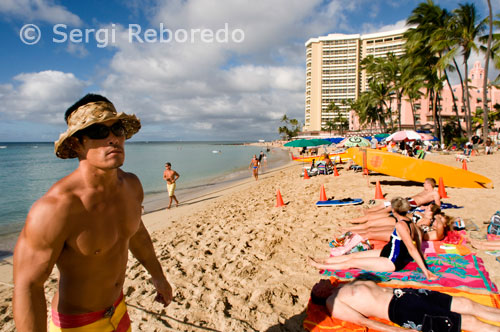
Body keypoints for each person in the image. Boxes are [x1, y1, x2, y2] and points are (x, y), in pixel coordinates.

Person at [13, 94, 173, 332]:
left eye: (117, 129)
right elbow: (28, 285)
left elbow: (136, 232)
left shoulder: (131, 186)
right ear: (77, 143)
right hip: (77, 325)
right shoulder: (56, 208)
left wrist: (158, 276)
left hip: (118, 310)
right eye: (99, 132)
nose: (113, 140)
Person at [309, 197, 437, 280]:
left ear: (394, 210)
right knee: (353, 256)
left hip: (391, 262)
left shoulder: (401, 225)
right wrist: (422, 257)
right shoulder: (411, 223)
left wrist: (425, 270)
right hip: (388, 252)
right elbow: (418, 244)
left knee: (352, 263)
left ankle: (319, 265)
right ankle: (324, 260)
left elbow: (412, 248)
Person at [311, 279, 500, 332]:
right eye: (316, 285)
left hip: (406, 294)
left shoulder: (341, 285)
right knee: (468, 321)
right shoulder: (332, 302)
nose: (320, 280)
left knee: (465, 303)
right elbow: (362, 321)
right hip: (401, 310)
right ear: (319, 293)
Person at [353, 178, 441, 222]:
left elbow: (438, 206)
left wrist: (425, 207)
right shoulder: (425, 190)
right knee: (384, 204)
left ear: (429, 185)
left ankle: (371, 215)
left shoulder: (434, 193)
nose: (423, 185)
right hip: (407, 200)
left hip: (412, 203)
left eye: (425, 183)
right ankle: (368, 211)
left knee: (390, 207)